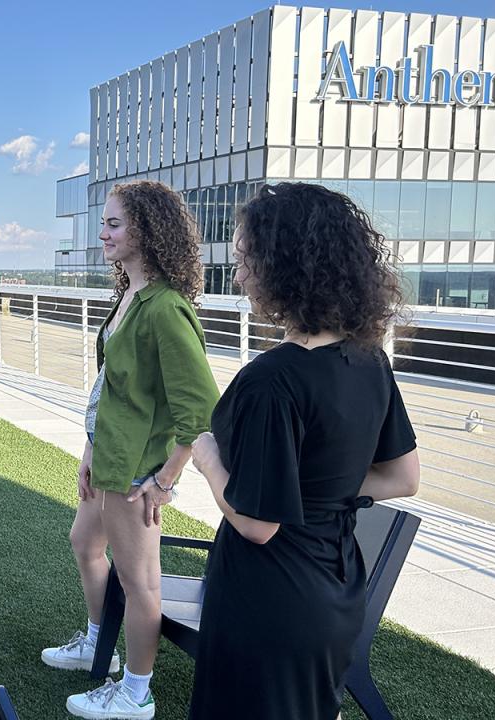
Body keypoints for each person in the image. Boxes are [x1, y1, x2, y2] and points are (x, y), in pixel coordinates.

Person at [187, 182, 420, 720]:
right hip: (336, 592)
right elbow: (402, 476)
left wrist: (205, 456)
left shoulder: (271, 381)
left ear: (283, 265)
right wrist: (317, 486)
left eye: (247, 258)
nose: (239, 273)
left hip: (270, 598)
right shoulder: (368, 360)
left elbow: (256, 522)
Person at [39, 181, 218, 720]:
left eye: (115, 224)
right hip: (109, 458)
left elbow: (200, 412)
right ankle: (99, 645)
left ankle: (136, 692)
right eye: (105, 223)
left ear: (147, 229)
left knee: (139, 584)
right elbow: (112, 388)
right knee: (83, 542)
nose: (103, 233)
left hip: (137, 471)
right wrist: (91, 449)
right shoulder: (131, 297)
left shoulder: (165, 309)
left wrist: (164, 479)